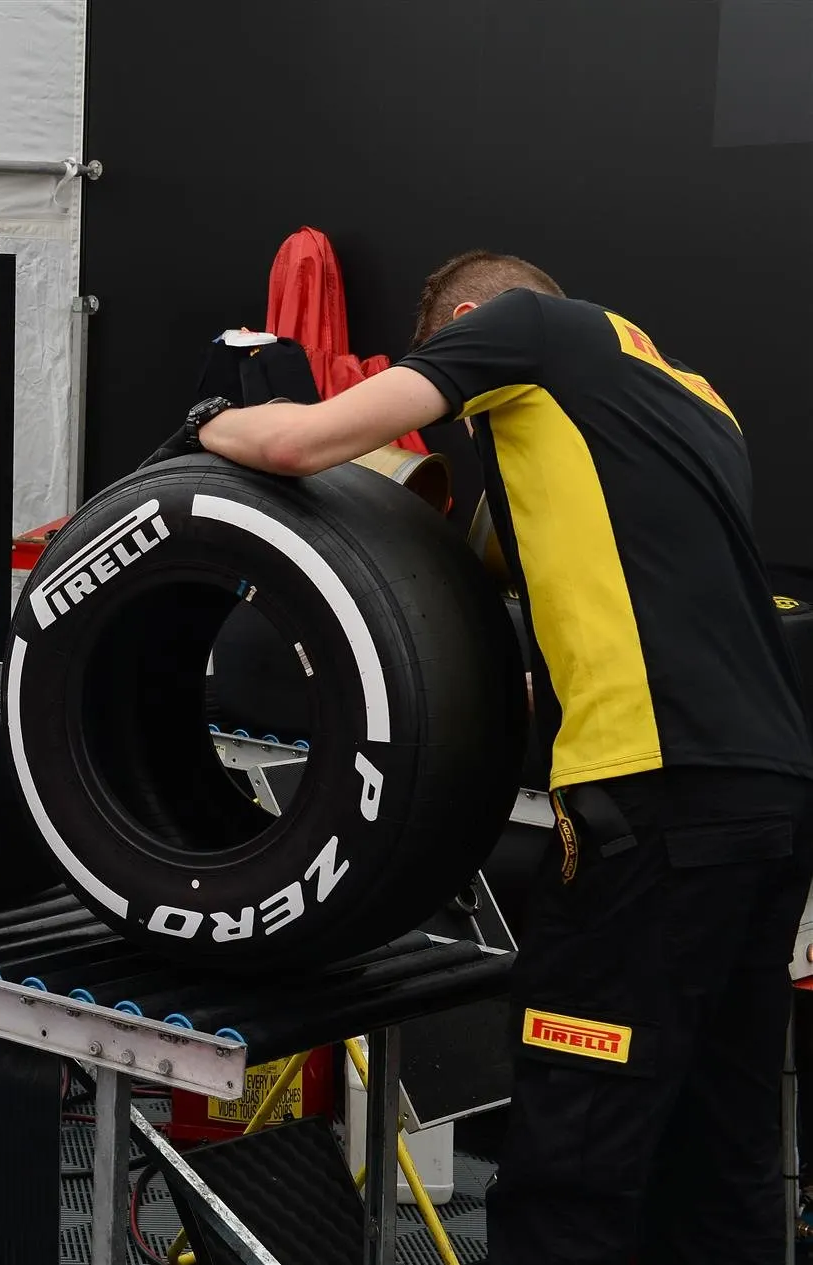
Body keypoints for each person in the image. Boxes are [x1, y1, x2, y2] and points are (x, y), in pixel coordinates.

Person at [163, 250, 813, 1263]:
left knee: (572, 1156)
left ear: (468, 318)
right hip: (766, 796)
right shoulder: (693, 398)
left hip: (654, 803)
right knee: (717, 1149)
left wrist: (212, 421)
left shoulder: (526, 332)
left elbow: (297, 442)